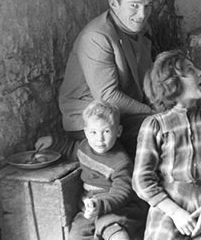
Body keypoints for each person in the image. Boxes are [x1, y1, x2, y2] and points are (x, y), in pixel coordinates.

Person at [132, 50, 201, 240]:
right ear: (171, 84)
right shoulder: (154, 125)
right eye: (190, 70)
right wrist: (175, 213)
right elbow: (141, 180)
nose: (200, 72)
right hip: (170, 208)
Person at [59, 0, 158, 158]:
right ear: (113, 4)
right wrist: (153, 112)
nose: (142, 14)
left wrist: (165, 103)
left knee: (176, 124)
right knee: (160, 132)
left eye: (148, 5)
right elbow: (108, 96)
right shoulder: (97, 37)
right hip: (94, 123)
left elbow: (146, 76)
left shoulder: (140, 29)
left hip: (123, 115)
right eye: (134, 5)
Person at [36, 101, 147, 240]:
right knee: (77, 234)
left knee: (114, 230)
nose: (99, 139)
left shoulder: (121, 162)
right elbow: (70, 148)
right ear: (86, 132)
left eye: (106, 131)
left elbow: (123, 192)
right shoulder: (84, 147)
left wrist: (100, 205)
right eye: (93, 132)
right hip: (87, 208)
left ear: (118, 131)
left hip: (114, 208)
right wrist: (52, 142)